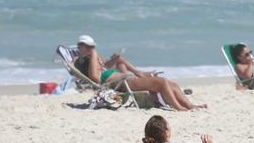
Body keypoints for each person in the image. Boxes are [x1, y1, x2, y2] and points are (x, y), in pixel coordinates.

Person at [74, 35, 204, 111]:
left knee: (172, 84)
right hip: (122, 82)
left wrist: (110, 60)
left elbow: (102, 67)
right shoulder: (84, 61)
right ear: (81, 46)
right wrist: (94, 55)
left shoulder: (92, 59)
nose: (92, 49)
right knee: (162, 82)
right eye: (89, 47)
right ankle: (178, 108)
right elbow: (96, 79)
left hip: (126, 78)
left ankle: (190, 105)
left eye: (93, 47)